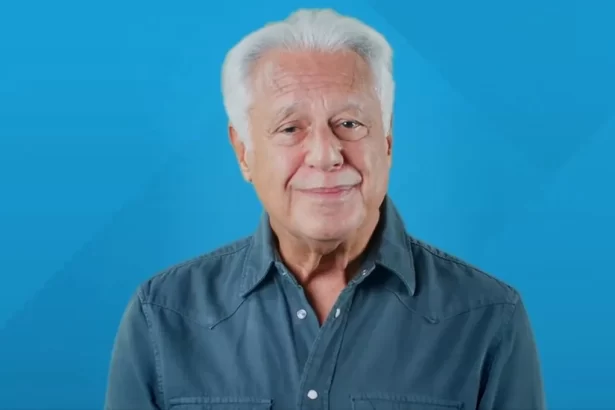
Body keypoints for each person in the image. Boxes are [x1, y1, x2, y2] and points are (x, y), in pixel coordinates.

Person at [104, 8, 546, 410]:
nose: (326, 154)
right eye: (290, 127)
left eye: (350, 124)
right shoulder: (162, 316)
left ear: (387, 140)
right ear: (243, 152)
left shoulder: (487, 316)